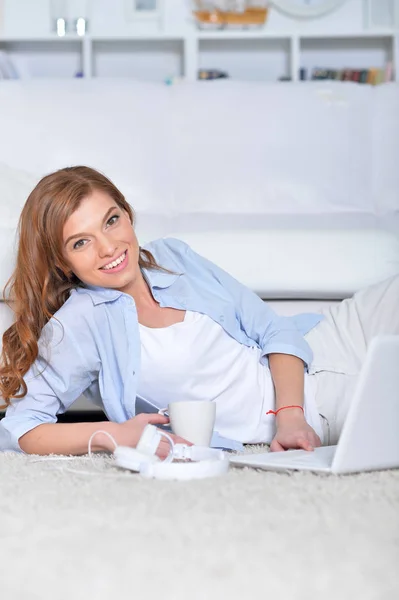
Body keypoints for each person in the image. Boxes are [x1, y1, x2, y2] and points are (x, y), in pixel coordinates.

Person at [0, 166, 398, 458]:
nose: (108, 248)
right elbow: (22, 427)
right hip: (324, 406)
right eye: (81, 242)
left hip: (334, 339)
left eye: (112, 220)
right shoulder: (80, 322)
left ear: (127, 213)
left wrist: (290, 415)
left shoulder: (174, 256)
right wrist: (118, 434)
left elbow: (271, 329)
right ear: (62, 262)